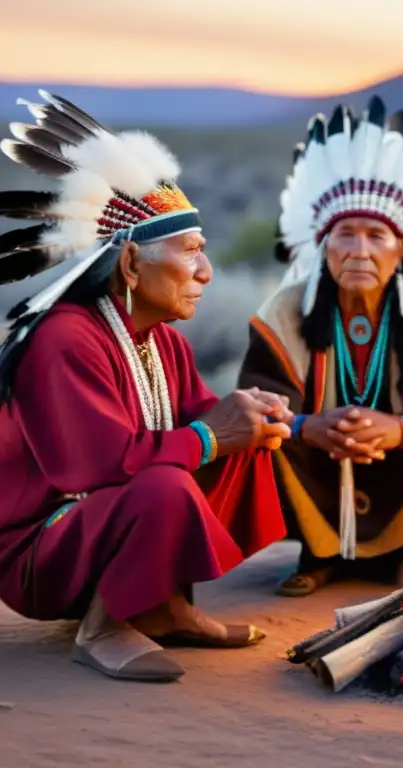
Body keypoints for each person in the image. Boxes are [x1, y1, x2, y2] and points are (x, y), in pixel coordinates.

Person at [0, 91, 292, 683]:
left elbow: (197, 419)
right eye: (191, 253)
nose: (206, 272)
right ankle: (104, 626)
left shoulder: (162, 340)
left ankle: (166, 608)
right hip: (37, 550)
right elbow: (99, 468)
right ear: (131, 265)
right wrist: (213, 434)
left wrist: (251, 417)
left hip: (98, 523)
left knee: (233, 450)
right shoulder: (64, 340)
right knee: (165, 484)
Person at [237, 96, 403, 596]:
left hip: (402, 467)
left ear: (402, 250)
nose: (360, 250)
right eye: (345, 234)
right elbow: (257, 401)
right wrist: (307, 426)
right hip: (315, 465)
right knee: (263, 442)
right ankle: (317, 551)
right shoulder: (283, 313)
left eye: (376, 235)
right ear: (324, 246)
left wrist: (400, 427)